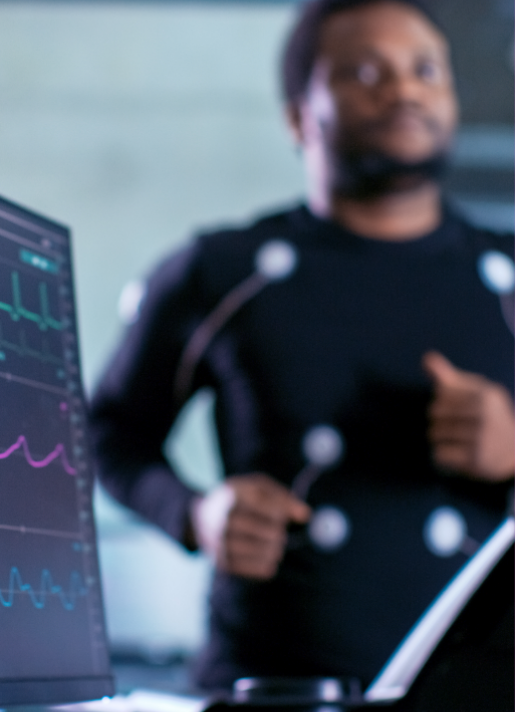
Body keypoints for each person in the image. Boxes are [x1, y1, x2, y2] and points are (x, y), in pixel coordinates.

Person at [88, 0, 514, 704]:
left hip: (473, 693)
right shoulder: (221, 271)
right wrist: (195, 514)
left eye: (425, 70)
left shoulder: (507, 281)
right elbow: (105, 434)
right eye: (365, 71)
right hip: (268, 688)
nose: (403, 89)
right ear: (296, 115)